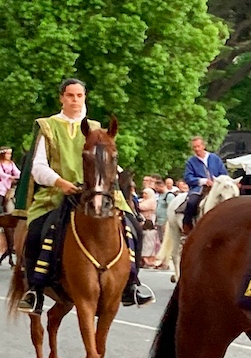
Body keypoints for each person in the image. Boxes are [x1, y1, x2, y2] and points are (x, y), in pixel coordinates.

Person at [17, 78, 151, 313]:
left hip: (96, 191)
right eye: (70, 95)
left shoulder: (96, 128)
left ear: (84, 97)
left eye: (79, 95)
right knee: (38, 229)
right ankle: (35, 290)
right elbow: (38, 167)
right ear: (62, 98)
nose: (75, 100)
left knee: (134, 227)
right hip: (58, 192)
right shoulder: (47, 126)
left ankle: (132, 283)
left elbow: (105, 159)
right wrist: (61, 182)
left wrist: (116, 176)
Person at [182, 136, 228, 234]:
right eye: (194, 147)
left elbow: (223, 173)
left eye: (198, 146)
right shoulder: (191, 162)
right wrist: (202, 181)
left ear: (203, 146)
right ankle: (187, 224)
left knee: (228, 199)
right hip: (199, 188)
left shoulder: (215, 158)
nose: (197, 149)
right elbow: (188, 177)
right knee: (191, 202)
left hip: (216, 187)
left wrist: (219, 182)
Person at [0, 146, 21, 213]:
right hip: (1, 184)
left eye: (10, 154)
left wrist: (20, 175)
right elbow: (1, 174)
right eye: (7, 154)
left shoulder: (11, 164)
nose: (9, 155)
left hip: (8, 185)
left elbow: (17, 172)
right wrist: (10, 177)